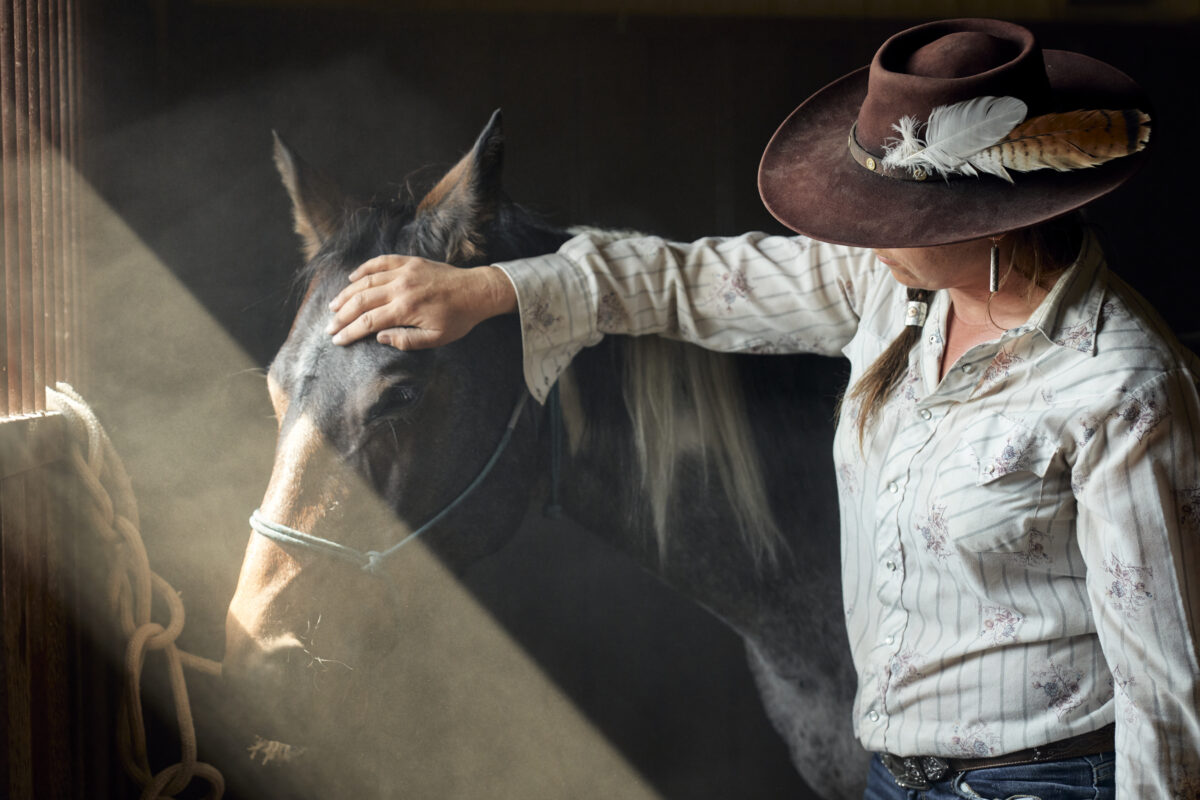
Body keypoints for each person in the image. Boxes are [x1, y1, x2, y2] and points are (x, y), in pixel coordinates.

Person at [324, 19, 1199, 800]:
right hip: (892, 778)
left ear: (989, 218)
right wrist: (490, 287)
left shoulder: (1120, 387)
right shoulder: (883, 288)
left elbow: (1166, 685)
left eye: (892, 214)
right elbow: (686, 280)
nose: (858, 232)